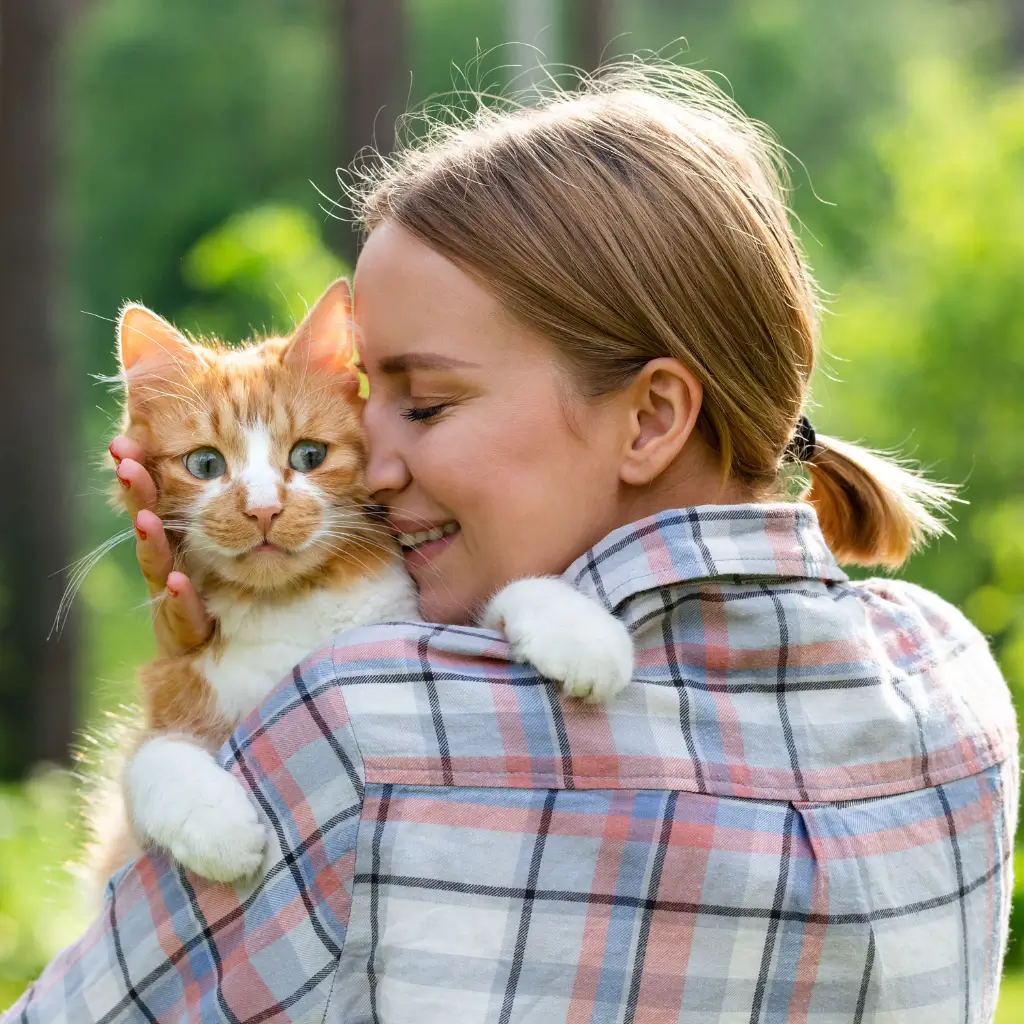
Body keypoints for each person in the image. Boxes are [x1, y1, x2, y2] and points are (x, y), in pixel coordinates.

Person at [6, 63, 1017, 1023]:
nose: (374, 460)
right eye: (371, 402)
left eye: (428, 403)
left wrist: (228, 688)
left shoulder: (371, 724)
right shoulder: (949, 680)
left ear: (652, 417)